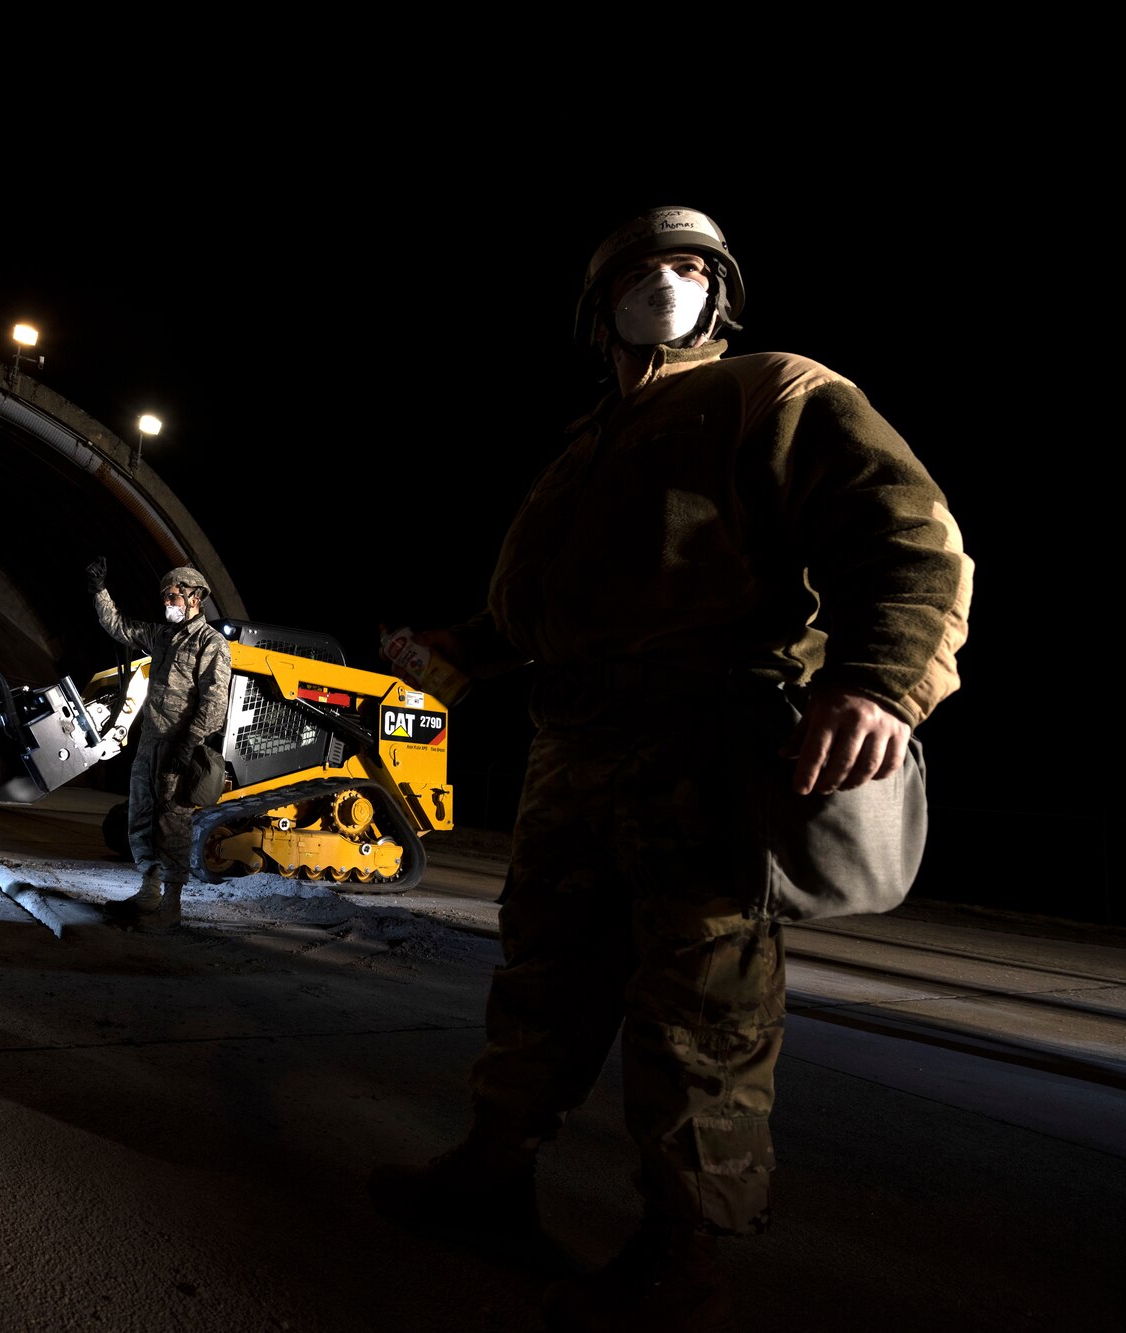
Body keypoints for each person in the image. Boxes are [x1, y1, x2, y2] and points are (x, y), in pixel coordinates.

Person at [368, 206, 973, 1332]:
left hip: (704, 742)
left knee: (701, 1002)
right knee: (541, 974)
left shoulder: (769, 389)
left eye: (694, 266)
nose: (672, 280)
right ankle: (492, 1175)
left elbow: (904, 532)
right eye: (647, 267)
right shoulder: (583, 445)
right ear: (599, 304)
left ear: (720, 292)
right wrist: (458, 647)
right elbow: (545, 607)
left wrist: (879, 678)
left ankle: (678, 1256)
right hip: (575, 746)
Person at [86, 557, 233, 929]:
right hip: (150, 744)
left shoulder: (210, 643)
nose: (167, 601)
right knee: (142, 818)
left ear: (194, 597)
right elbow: (118, 627)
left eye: (173, 596)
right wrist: (100, 590)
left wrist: (186, 747)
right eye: (165, 596)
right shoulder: (163, 636)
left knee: (173, 824)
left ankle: (172, 906)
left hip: (178, 748)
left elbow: (215, 703)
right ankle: (148, 893)